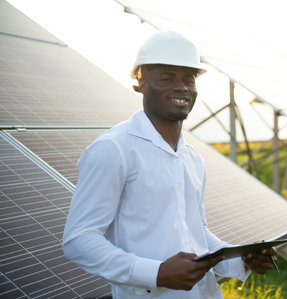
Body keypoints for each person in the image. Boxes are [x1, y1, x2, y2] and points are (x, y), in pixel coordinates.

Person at [62, 30, 276, 298]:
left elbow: (195, 233)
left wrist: (239, 258)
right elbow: (78, 240)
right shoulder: (114, 149)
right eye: (167, 78)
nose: (181, 87)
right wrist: (156, 273)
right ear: (139, 82)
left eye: (189, 79)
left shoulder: (192, 158)